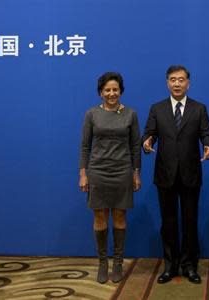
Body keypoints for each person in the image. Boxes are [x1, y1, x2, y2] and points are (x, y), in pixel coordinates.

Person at [142, 65, 209, 284]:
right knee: (169, 222)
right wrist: (147, 142)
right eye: (173, 80)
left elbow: (207, 134)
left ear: (188, 83)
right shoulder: (157, 108)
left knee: (190, 222)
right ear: (167, 83)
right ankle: (170, 265)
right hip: (165, 174)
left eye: (181, 80)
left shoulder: (199, 108)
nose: (177, 84)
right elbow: (149, 133)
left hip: (191, 174)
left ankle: (189, 266)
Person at [79, 72, 141, 284]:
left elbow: (135, 147)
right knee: (100, 217)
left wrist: (136, 173)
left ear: (121, 91)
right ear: (100, 93)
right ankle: (103, 262)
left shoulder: (130, 114)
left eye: (115, 89)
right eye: (107, 90)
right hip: (98, 171)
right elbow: (85, 146)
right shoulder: (91, 114)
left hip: (122, 170)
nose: (111, 93)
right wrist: (83, 173)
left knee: (120, 217)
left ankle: (118, 262)